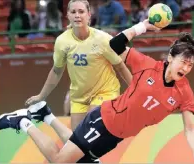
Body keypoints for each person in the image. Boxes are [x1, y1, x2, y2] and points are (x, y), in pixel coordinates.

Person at [0, 19, 194, 164]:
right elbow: (114, 44)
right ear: (170, 58)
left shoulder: (184, 92)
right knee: (61, 161)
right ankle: (22, 122)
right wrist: (142, 26)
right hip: (103, 120)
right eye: (183, 62)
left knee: (79, 158)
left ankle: (46, 115)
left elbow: (190, 129)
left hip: (116, 136)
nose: (185, 68)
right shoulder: (147, 65)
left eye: (190, 66)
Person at [25, 0, 132, 130]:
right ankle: (40, 119)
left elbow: (120, 66)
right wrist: (41, 96)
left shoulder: (103, 39)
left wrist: (135, 90)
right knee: (77, 143)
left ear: (89, 15)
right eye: (73, 12)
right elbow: (56, 71)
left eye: (81, 11)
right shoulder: (62, 41)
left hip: (105, 91)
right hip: (79, 97)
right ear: (68, 16)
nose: (77, 15)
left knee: (91, 124)